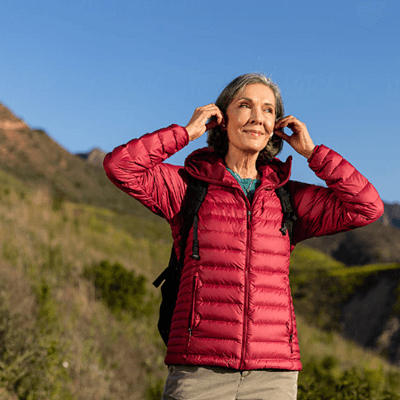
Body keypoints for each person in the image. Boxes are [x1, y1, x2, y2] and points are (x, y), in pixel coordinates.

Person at [103, 73, 384, 400]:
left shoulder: (287, 197)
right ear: (221, 118)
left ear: (277, 125)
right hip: (200, 370)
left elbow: (367, 207)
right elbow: (120, 166)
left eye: (268, 110)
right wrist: (187, 132)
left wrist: (313, 152)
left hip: (273, 375)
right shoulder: (187, 188)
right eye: (245, 105)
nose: (257, 118)